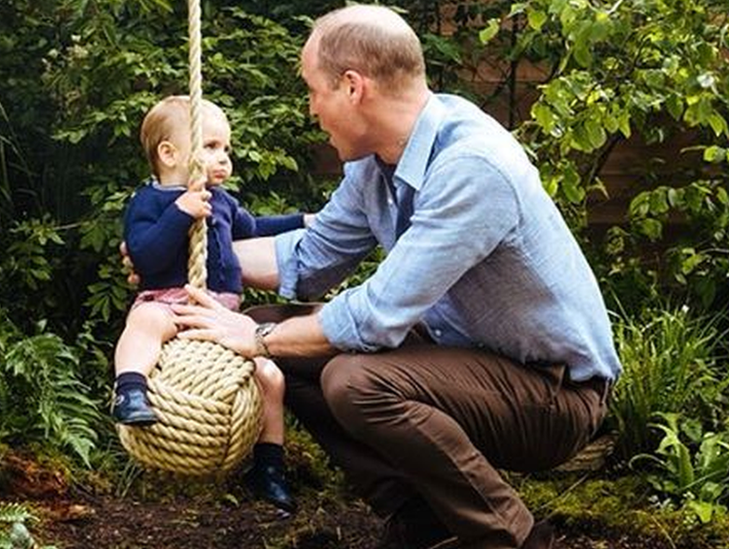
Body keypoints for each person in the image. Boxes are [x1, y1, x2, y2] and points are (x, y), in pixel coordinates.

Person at [165, 5, 623, 549]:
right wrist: (173, 255)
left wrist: (258, 340)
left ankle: (513, 538)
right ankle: (421, 522)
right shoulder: (375, 162)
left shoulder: (472, 167)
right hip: (464, 358)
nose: (312, 110)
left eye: (315, 91)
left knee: (353, 381)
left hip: (551, 395)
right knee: (274, 331)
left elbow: (377, 316)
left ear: (353, 87)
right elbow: (310, 258)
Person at [114, 95, 309, 513]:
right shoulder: (148, 202)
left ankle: (269, 466)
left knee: (269, 376)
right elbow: (145, 256)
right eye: (211, 146)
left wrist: (304, 221)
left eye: (227, 149)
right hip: (169, 303)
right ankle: (130, 390)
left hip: (221, 316)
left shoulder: (220, 200)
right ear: (169, 154)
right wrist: (180, 213)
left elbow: (254, 228)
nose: (224, 159)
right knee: (145, 320)